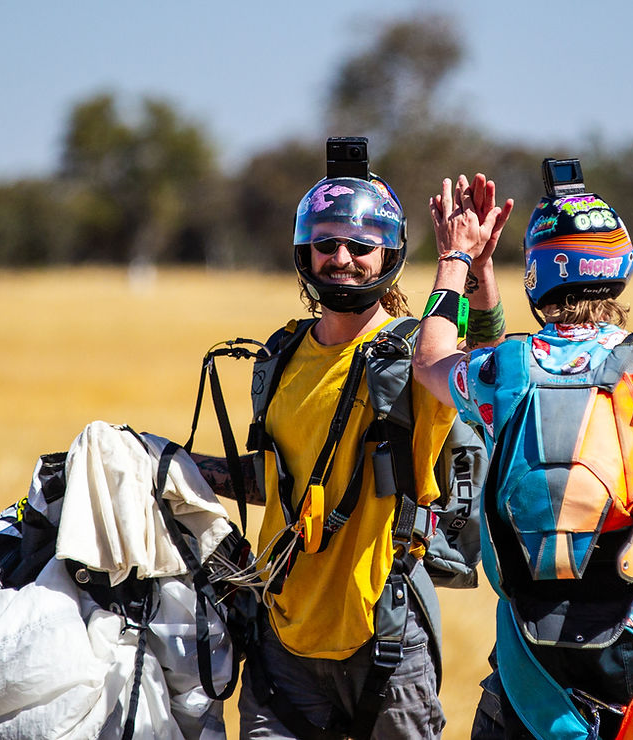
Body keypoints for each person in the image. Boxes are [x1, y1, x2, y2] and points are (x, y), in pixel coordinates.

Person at [412, 166, 633, 739]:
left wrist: (458, 261)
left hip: (529, 669)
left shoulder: (506, 372)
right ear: (621, 266)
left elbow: (429, 359)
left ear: (536, 276)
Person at [193, 141, 493, 739]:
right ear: (305, 250)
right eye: (327, 242)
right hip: (282, 646)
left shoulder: (417, 357)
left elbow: (484, 368)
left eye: (360, 245)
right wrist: (163, 463)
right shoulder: (279, 357)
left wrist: (462, 263)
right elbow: (278, 479)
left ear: (389, 256)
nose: (342, 257)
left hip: (384, 645)